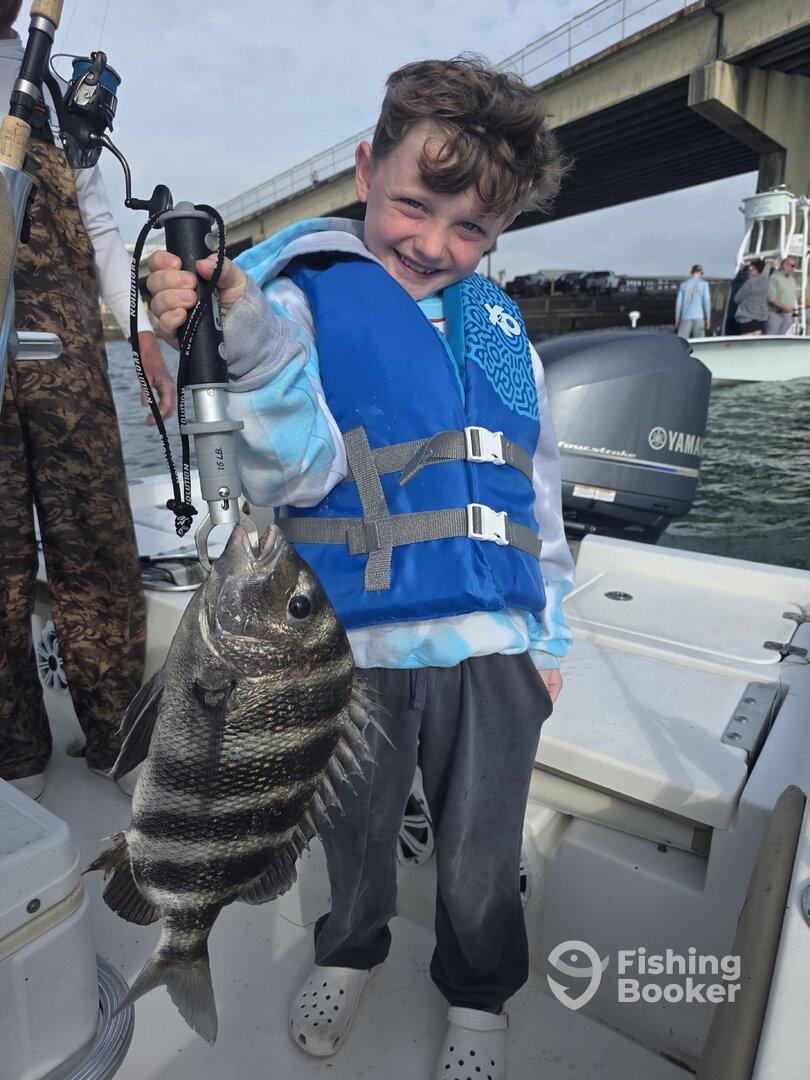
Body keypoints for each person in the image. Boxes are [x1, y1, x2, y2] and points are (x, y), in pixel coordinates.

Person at [148, 57, 573, 1080]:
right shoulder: (300, 304)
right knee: (350, 830)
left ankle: (479, 994)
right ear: (364, 170)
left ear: (500, 234)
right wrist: (233, 332)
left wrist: (551, 634)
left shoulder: (505, 329)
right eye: (414, 206)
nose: (434, 244)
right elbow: (296, 462)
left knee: (483, 853)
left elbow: (538, 496)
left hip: (497, 646)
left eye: (470, 229)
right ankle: (352, 946)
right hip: (341, 648)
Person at [0, 2, 176, 801]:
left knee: (98, 554)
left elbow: (99, 226)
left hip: (68, 363)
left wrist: (140, 335)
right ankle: (16, 755)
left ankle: (115, 736)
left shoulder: (59, 92)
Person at [732, 259, 769, 334]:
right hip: (762, 319)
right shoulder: (765, 282)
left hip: (747, 319)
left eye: (750, 268)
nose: (748, 271)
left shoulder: (750, 282)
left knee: (746, 344)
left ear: (756, 269)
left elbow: (737, 299)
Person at [675, 263, 711, 338]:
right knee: (700, 342)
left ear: (692, 272)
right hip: (699, 316)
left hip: (686, 317)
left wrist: (677, 319)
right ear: (700, 272)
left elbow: (678, 304)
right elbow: (706, 302)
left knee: (682, 341)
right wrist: (708, 318)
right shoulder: (704, 284)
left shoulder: (683, 285)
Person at [766, 255, 798, 335]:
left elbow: (792, 298)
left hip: (787, 315)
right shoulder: (773, 278)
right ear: (784, 265)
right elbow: (771, 298)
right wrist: (784, 307)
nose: (793, 268)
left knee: (781, 337)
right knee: (771, 338)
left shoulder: (792, 280)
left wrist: (793, 315)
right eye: (792, 265)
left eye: (794, 266)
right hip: (774, 314)